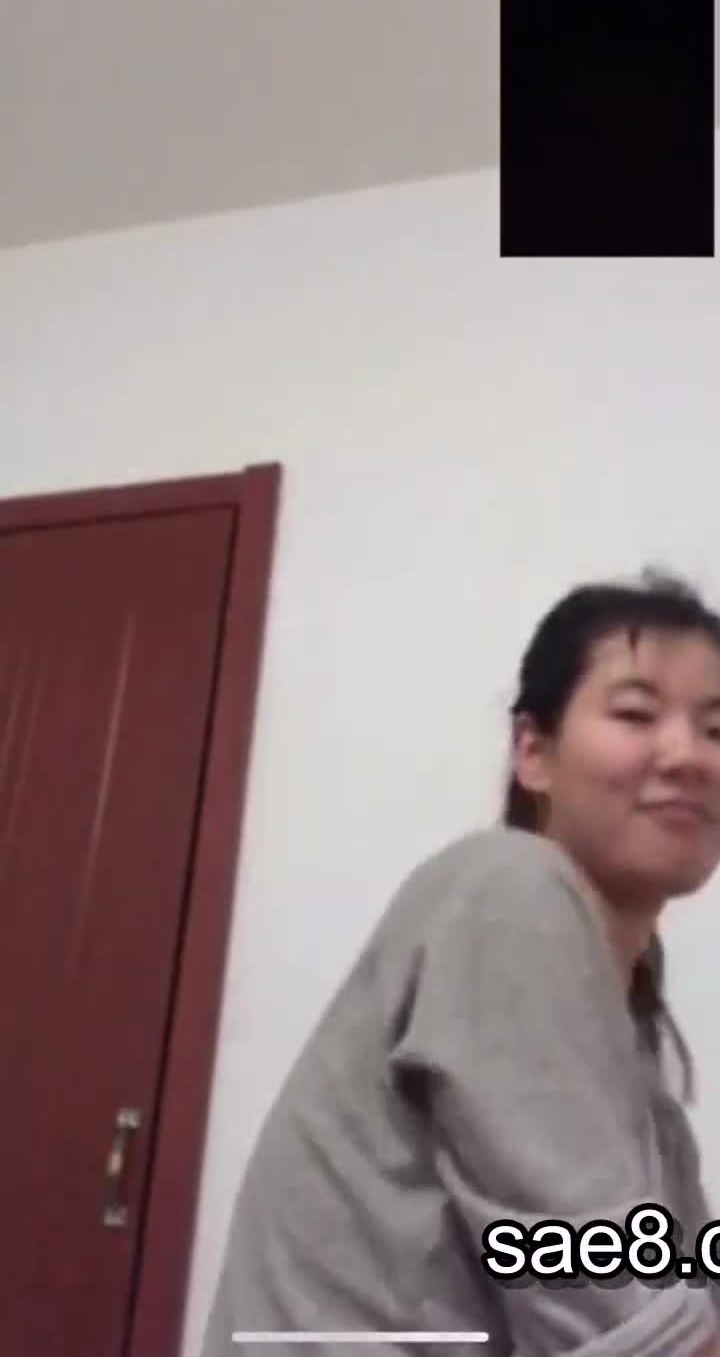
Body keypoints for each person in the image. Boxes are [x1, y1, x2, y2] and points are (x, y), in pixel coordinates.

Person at [201, 570, 720, 1357]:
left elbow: (672, 1275)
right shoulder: (510, 889)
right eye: (635, 713)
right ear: (533, 751)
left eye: (716, 728)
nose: (688, 756)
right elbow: (628, 1319)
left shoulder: (630, 1001)